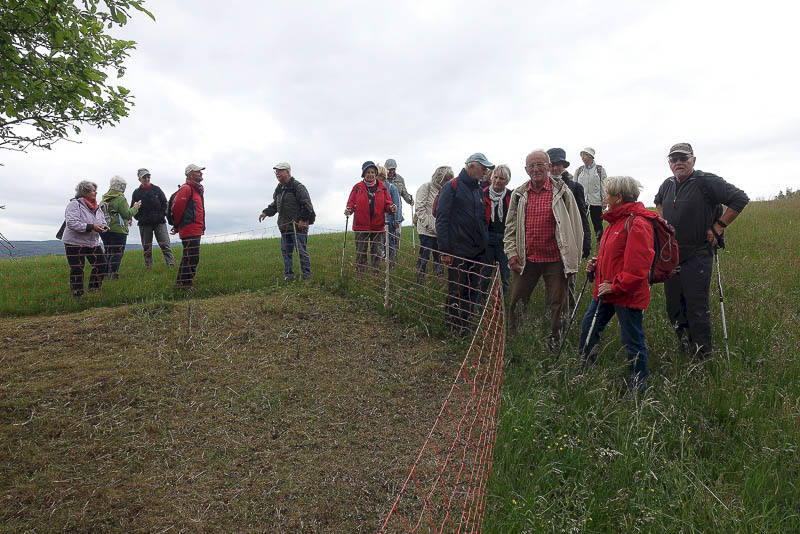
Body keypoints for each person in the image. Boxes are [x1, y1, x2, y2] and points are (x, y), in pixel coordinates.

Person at [654, 142, 749, 359]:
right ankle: (685, 348)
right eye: (674, 159)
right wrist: (664, 222)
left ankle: (702, 357)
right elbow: (658, 202)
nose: (678, 163)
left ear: (693, 161)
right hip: (672, 255)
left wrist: (719, 226)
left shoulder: (706, 181)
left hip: (698, 253)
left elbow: (740, 198)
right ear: (669, 163)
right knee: (674, 307)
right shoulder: (667, 184)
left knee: (696, 307)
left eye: (683, 159)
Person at [578, 176, 656, 392]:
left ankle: (638, 387)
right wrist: (597, 265)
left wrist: (616, 286)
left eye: (608, 193)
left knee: (632, 339)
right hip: (605, 290)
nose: (604, 197)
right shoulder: (615, 221)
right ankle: (583, 373)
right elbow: (616, 257)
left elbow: (638, 265)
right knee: (588, 329)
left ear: (619, 197)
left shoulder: (637, 222)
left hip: (625, 293)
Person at [504, 149, 583, 350]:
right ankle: (515, 341)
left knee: (558, 303)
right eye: (531, 165)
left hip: (555, 259)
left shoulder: (562, 192)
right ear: (526, 169)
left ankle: (555, 341)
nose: (536, 169)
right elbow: (510, 227)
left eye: (540, 164)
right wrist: (512, 253)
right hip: (527, 259)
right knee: (517, 302)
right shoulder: (519, 194)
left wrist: (573, 259)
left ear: (548, 167)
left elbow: (576, 226)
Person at [435, 153, 494, 334]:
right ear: (471, 167)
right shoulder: (451, 186)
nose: (485, 171)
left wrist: (485, 247)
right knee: (456, 290)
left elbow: (481, 220)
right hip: (457, 250)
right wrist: (444, 251)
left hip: (476, 251)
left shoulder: (477, 189)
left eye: (486, 168)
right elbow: (442, 219)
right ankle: (453, 327)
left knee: (471, 290)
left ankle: (465, 325)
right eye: (483, 167)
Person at [547, 148, 591, 312]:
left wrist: (586, 242)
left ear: (564, 166)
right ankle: (551, 316)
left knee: (569, 281)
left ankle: (568, 316)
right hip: (548, 243)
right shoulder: (541, 187)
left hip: (569, 241)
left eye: (559, 164)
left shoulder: (574, 187)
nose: (556, 168)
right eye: (552, 165)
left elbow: (582, 217)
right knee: (550, 283)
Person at [259, 162, 316, 281]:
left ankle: (307, 277)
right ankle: (288, 277)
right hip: (284, 227)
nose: (277, 174)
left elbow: (307, 205)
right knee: (286, 253)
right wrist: (266, 212)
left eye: (280, 171)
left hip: (298, 227)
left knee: (301, 252)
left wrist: (303, 220)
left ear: (288, 172)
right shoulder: (279, 188)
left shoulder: (297, 186)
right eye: (276, 172)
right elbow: (275, 205)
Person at [345, 161, 397, 274]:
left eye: (373, 172)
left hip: (378, 227)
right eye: (368, 172)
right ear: (363, 174)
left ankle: (375, 276)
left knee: (377, 254)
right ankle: (361, 276)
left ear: (375, 174)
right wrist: (348, 210)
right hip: (361, 227)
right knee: (360, 253)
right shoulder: (357, 187)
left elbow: (388, 204)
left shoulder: (382, 187)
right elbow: (351, 203)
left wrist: (391, 208)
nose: (371, 174)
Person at [60, 180, 108, 298]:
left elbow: (103, 221)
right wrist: (92, 227)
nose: (95, 193)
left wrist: (104, 227)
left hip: (92, 242)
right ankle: (77, 296)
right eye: (93, 190)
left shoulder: (97, 207)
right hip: (74, 243)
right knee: (77, 269)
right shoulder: (74, 204)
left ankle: (94, 290)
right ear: (84, 192)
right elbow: (72, 223)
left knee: (101, 265)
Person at [414, 165, 453, 283]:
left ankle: (438, 281)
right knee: (424, 256)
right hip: (426, 231)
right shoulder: (426, 187)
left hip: (440, 232)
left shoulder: (448, 191)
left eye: (449, 180)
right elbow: (419, 208)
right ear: (439, 177)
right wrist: (428, 224)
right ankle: (419, 280)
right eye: (446, 179)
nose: (448, 182)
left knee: (439, 257)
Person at [131, 168, 175, 268]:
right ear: (139, 179)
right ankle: (149, 267)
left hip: (159, 222)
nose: (146, 179)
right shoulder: (136, 193)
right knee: (147, 247)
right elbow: (133, 208)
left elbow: (165, 203)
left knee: (165, 244)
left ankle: (171, 265)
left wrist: (161, 214)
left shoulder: (157, 189)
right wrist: (140, 218)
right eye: (144, 177)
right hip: (144, 224)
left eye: (148, 177)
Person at [172, 163, 206, 289]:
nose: (201, 173)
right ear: (190, 174)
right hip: (189, 228)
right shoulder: (186, 189)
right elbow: (177, 209)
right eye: (198, 171)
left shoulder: (197, 189)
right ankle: (186, 285)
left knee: (189, 257)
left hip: (195, 228)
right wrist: (177, 225)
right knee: (192, 257)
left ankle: (181, 284)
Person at [100, 175, 141, 279]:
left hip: (105, 229)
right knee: (117, 253)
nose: (125, 188)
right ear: (121, 187)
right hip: (118, 230)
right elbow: (127, 214)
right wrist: (135, 207)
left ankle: (104, 274)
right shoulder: (120, 199)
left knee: (108, 252)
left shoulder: (105, 198)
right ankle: (113, 274)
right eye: (124, 186)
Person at [482, 164, 512, 293]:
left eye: (502, 179)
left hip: (505, 239)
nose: (498, 181)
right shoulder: (482, 194)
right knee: (484, 274)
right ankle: (480, 304)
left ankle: (501, 306)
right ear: (491, 178)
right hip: (486, 238)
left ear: (507, 181)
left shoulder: (511, 196)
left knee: (504, 274)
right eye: (496, 177)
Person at [575, 147, 607, 248]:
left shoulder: (600, 170)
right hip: (582, 202)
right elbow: (575, 186)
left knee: (598, 223)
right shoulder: (579, 170)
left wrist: (604, 201)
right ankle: (583, 243)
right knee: (581, 223)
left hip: (596, 201)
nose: (582, 157)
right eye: (582, 155)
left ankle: (599, 243)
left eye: (584, 155)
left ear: (590, 156)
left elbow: (604, 186)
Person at [376, 165, 403, 265]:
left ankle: (392, 264)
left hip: (390, 222)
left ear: (382, 176)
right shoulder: (376, 188)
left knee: (390, 244)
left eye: (376, 175)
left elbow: (397, 205)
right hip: (379, 222)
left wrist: (397, 220)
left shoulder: (392, 188)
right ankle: (383, 263)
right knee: (380, 244)